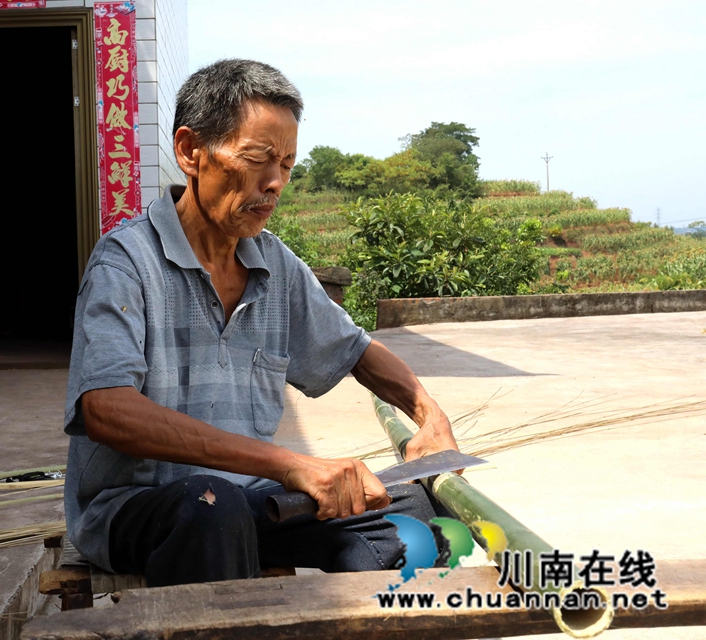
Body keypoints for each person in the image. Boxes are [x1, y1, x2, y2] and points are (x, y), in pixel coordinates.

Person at [64, 59, 460, 587]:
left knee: (415, 510)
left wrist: (428, 415)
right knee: (211, 505)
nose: (274, 184)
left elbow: (356, 350)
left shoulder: (274, 265)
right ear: (190, 152)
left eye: (288, 166)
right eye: (257, 159)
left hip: (255, 500)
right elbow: (107, 411)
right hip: (147, 509)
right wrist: (288, 463)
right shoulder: (126, 262)